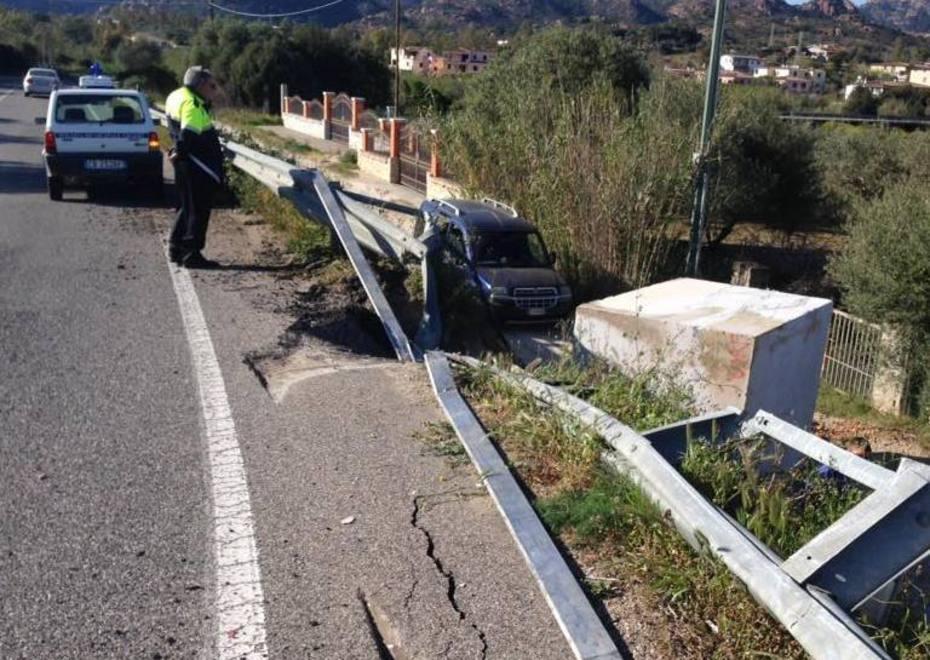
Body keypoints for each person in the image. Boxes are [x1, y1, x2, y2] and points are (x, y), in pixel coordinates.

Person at [165, 66, 224, 268]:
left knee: (187, 207)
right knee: (198, 210)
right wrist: (181, 151)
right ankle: (192, 253)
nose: (214, 90)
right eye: (212, 85)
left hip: (184, 163)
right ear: (200, 85)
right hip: (197, 165)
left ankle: (175, 248)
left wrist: (177, 153)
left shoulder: (176, 95)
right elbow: (188, 134)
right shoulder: (193, 104)